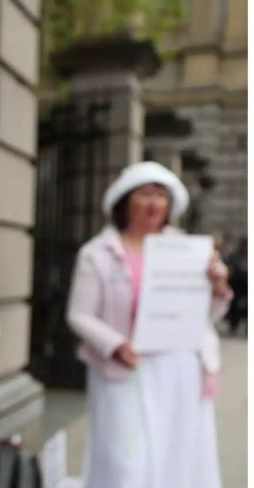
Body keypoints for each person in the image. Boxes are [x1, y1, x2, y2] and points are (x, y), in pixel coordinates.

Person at [66, 161, 230, 488]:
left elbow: (204, 319)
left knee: (178, 451)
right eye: (145, 194)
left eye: (161, 196)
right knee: (128, 458)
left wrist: (217, 287)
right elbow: (79, 314)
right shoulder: (97, 253)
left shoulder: (187, 250)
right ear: (125, 201)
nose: (154, 203)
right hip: (125, 368)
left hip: (178, 368)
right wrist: (114, 345)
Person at [225, 236, 247, 335]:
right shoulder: (235, 255)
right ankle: (233, 325)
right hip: (236, 284)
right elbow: (230, 266)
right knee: (234, 306)